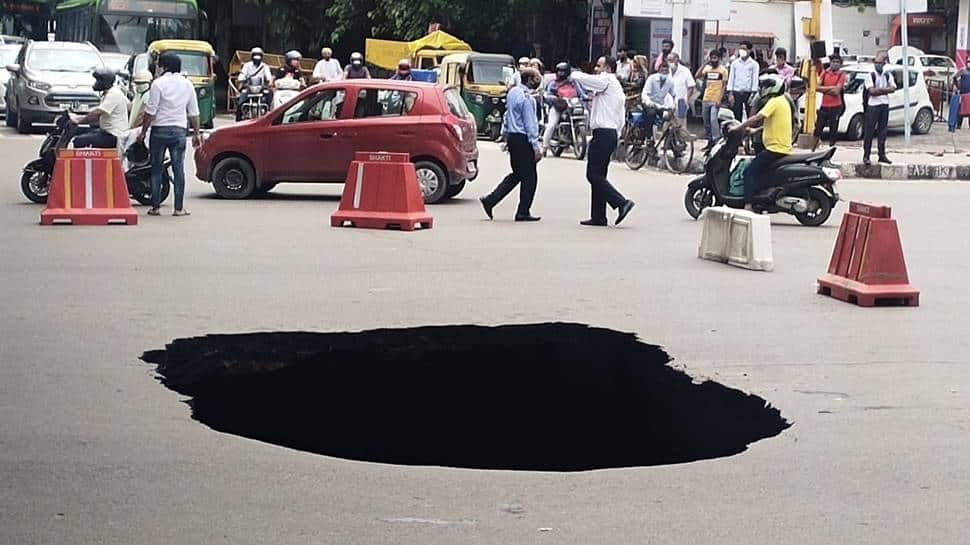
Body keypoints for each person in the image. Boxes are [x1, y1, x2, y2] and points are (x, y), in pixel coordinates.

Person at [569, 56, 636, 226]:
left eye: (599, 66)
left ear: (607, 67)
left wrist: (573, 73)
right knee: (599, 175)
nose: (596, 69)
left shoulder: (607, 80)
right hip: (608, 133)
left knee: (593, 174)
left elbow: (586, 79)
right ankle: (598, 216)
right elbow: (620, 116)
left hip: (605, 133)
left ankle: (621, 202)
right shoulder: (613, 88)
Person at [137, 52, 201, 217]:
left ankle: (155, 207)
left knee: (156, 169)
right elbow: (194, 112)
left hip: (159, 131)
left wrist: (143, 132)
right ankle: (178, 208)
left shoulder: (158, 84)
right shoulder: (187, 84)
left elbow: (150, 111)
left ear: (164, 66)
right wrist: (196, 134)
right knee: (178, 168)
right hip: (179, 131)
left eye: (159, 65)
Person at [479, 68, 543, 222]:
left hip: (514, 137)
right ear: (528, 80)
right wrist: (535, 146)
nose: (537, 82)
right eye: (535, 79)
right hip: (523, 139)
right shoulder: (528, 98)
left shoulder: (513, 93)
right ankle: (523, 211)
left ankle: (491, 200)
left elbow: (507, 115)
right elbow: (530, 124)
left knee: (517, 174)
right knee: (530, 177)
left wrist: (506, 135)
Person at [731, 74, 792, 204]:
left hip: (775, 148)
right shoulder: (782, 101)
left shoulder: (774, 102)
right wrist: (755, 131)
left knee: (748, 172)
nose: (763, 88)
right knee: (761, 172)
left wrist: (738, 127)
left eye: (766, 86)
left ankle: (748, 204)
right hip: (779, 147)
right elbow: (773, 124)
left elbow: (757, 118)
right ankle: (762, 199)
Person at [68, 67, 130, 150]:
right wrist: (77, 117)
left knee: (78, 141)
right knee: (81, 132)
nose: (95, 83)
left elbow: (97, 113)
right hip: (107, 132)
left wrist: (79, 120)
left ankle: (80, 162)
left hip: (113, 135)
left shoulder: (114, 94)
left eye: (98, 80)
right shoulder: (112, 92)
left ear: (104, 82)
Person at [542, 62, 588, 153]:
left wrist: (586, 97)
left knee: (586, 113)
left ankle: (580, 136)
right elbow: (547, 94)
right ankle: (544, 147)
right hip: (559, 107)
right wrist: (555, 99)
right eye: (559, 71)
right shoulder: (553, 83)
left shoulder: (574, 82)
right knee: (552, 124)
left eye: (563, 71)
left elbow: (581, 93)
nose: (561, 73)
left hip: (573, 106)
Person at [863, 51, 896, 166]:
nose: (878, 65)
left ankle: (881, 155)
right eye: (876, 63)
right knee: (869, 132)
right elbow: (872, 91)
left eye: (880, 63)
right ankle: (866, 155)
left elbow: (893, 88)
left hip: (884, 105)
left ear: (884, 64)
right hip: (873, 106)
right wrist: (885, 90)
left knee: (883, 131)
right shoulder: (870, 75)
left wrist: (880, 90)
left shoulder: (887, 75)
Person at [812, 54, 847, 151]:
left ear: (840, 64)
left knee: (833, 130)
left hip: (836, 106)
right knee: (818, 128)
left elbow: (837, 91)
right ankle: (813, 148)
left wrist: (825, 90)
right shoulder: (825, 73)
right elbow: (816, 87)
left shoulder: (841, 75)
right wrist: (831, 88)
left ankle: (830, 150)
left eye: (837, 62)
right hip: (824, 105)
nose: (834, 64)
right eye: (833, 62)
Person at [696, 50, 729, 145]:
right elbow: (697, 75)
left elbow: (724, 86)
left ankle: (716, 139)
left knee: (713, 120)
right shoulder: (707, 69)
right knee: (706, 121)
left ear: (719, 59)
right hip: (706, 98)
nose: (713, 60)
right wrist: (705, 63)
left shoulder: (723, 71)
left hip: (716, 100)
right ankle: (710, 139)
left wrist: (719, 99)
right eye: (712, 58)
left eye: (715, 58)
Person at [236, 47, 274, 121]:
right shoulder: (247, 65)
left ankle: (269, 113)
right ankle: (238, 118)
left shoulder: (265, 66)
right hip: (249, 87)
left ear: (262, 57)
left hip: (261, 87)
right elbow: (242, 75)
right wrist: (240, 79)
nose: (257, 58)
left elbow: (268, 76)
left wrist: (270, 81)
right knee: (241, 101)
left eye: (259, 56)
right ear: (252, 56)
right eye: (255, 56)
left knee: (270, 95)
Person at [641, 62, 676, 142]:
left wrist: (673, 105)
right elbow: (645, 94)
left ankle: (674, 146)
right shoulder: (652, 78)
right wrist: (649, 103)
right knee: (651, 114)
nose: (664, 73)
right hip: (649, 104)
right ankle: (649, 139)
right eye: (662, 71)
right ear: (659, 70)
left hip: (660, 105)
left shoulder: (670, 81)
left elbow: (674, 94)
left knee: (670, 120)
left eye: (666, 71)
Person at [728, 40, 760, 121]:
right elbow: (731, 78)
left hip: (748, 93)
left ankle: (748, 132)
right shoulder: (735, 63)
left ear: (749, 50)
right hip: (736, 92)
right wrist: (730, 94)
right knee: (737, 115)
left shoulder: (754, 64)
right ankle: (738, 132)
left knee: (750, 115)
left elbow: (755, 79)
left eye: (744, 49)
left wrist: (752, 95)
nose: (742, 51)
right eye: (740, 48)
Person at [666, 52, 695, 121]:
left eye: (671, 60)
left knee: (681, 126)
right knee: (666, 125)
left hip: (681, 102)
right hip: (668, 102)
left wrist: (686, 100)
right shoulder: (666, 71)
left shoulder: (685, 71)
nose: (669, 62)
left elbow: (691, 87)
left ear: (677, 59)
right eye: (668, 60)